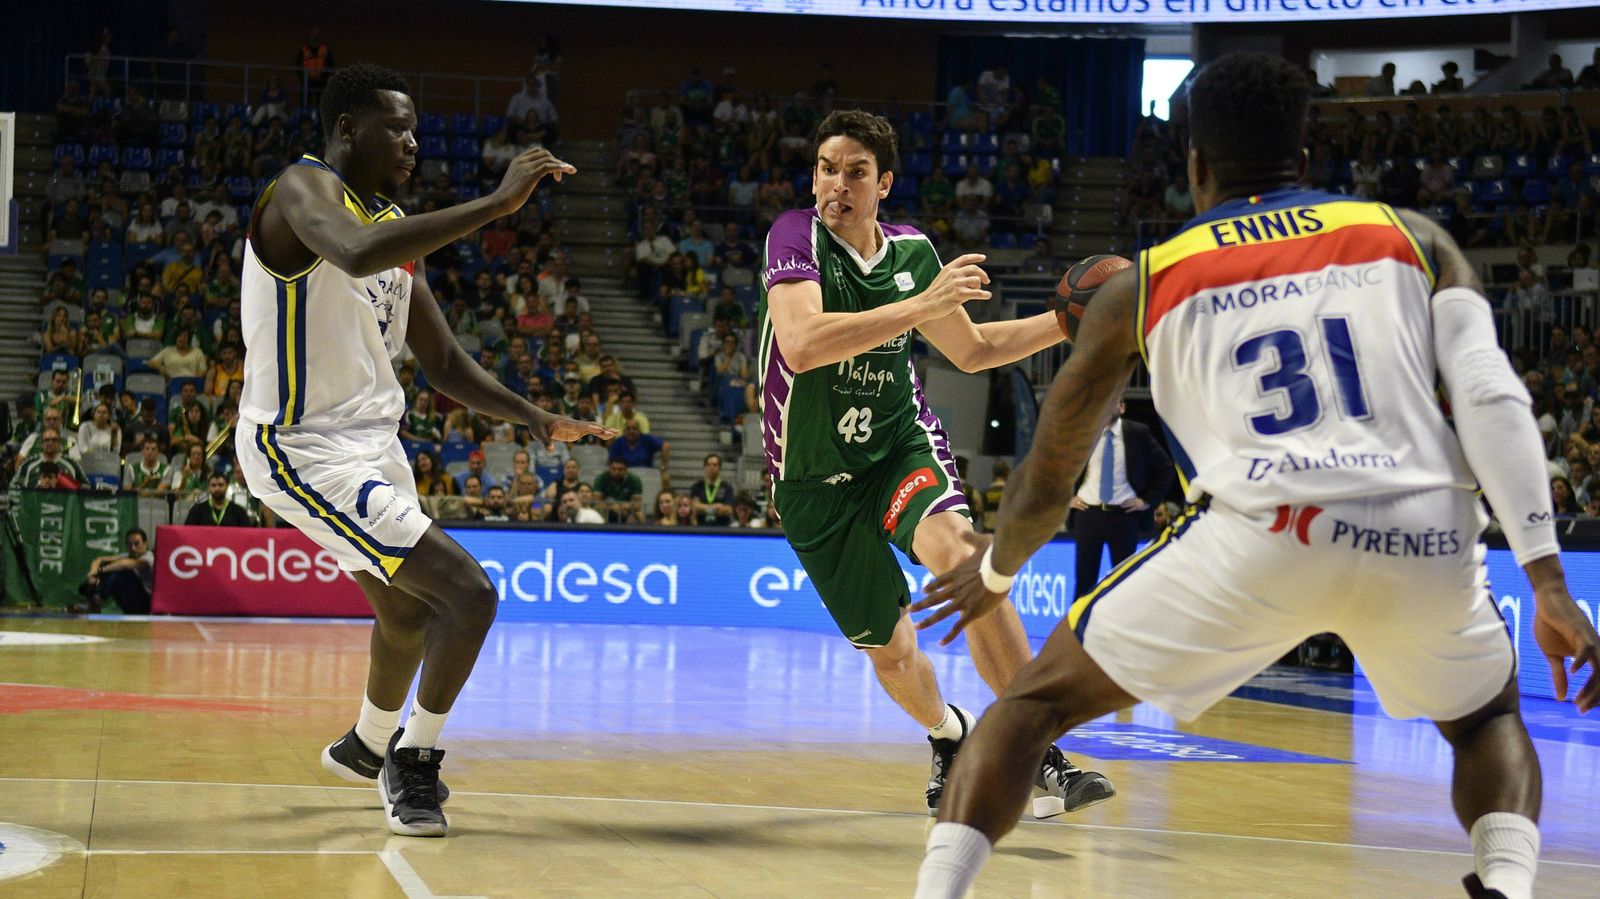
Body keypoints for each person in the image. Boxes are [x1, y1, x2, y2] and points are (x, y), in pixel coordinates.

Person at [912, 53, 1600, 899]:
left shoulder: (1148, 279)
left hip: (1265, 532)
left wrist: (996, 571)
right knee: (1488, 716)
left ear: (1195, 166)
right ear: (1304, 164)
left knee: (1028, 708)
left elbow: (1052, 467)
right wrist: (1548, 582)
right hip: (1423, 528)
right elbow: (1494, 399)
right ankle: (1508, 883)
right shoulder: (1413, 238)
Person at [233, 64, 609, 839]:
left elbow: (441, 362)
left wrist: (534, 416)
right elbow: (357, 252)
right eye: (396, 128)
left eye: (415, 128)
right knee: (469, 594)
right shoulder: (301, 191)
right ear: (347, 129)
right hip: (301, 447)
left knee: (404, 612)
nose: (412, 141)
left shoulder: (395, 224)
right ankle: (417, 756)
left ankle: (367, 744)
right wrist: (500, 203)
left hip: (374, 444)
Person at [757, 109, 1112, 820]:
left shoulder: (913, 251)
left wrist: (1075, 319)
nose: (838, 183)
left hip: (896, 446)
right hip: (812, 482)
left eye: (857, 171)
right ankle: (949, 735)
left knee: (961, 554)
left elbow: (974, 350)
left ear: (884, 183)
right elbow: (800, 343)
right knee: (892, 653)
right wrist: (917, 304)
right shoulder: (794, 237)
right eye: (828, 167)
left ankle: (1034, 743)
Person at [1069, 401, 1173, 599]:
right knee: (1084, 581)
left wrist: (1147, 500)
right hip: (1088, 513)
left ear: (1122, 407)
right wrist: (1066, 498)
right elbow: (1058, 468)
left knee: (1124, 581)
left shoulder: (1137, 433)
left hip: (1123, 515)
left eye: (1113, 402)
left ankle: (1118, 629)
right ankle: (1079, 629)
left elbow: (1166, 468)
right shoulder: (1084, 432)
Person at [75, 528, 154, 615]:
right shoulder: (128, 555)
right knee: (107, 565)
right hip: (129, 603)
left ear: (145, 543)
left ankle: (95, 601)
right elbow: (99, 560)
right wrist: (93, 573)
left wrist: (100, 571)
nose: (133, 548)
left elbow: (124, 564)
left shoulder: (149, 559)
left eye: (136, 543)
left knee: (121, 571)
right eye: (129, 544)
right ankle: (91, 603)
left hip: (145, 606)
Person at [185, 472, 253, 526]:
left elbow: (246, 534)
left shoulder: (238, 511)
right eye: (213, 485)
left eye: (221, 485)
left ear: (227, 487)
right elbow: (188, 531)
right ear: (208, 488)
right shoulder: (197, 510)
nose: (217, 488)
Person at [689, 453, 734, 526]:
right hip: (702, 528)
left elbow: (728, 510)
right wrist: (717, 507)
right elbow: (694, 508)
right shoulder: (696, 487)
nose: (711, 467)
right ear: (705, 467)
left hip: (722, 529)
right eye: (709, 465)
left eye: (715, 465)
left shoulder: (727, 487)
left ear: (719, 468)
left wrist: (703, 508)